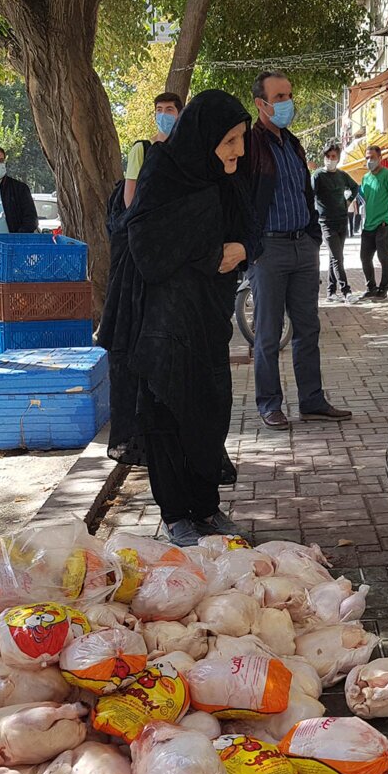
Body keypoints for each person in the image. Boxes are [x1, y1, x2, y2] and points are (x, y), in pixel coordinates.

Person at [98, 90, 253, 547]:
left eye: (240, 140)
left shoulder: (227, 178)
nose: (237, 151)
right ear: (204, 137)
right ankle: (176, 513)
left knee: (208, 409)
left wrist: (244, 249)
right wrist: (210, 255)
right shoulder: (162, 173)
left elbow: (250, 230)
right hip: (163, 321)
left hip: (208, 317)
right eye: (229, 141)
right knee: (165, 412)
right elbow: (146, 246)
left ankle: (206, 507)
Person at [246, 70, 352, 430]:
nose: (287, 103)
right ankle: (270, 404)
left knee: (309, 328)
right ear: (261, 103)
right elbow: (241, 199)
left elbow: (303, 194)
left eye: (289, 94)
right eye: (279, 97)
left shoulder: (292, 144)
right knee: (268, 333)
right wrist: (252, 246)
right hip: (268, 251)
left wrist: (311, 236)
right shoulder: (249, 144)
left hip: (302, 247)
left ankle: (312, 400)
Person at [311, 141, 361, 302]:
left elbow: (355, 187)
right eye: (328, 156)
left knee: (335, 257)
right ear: (324, 157)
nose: (331, 159)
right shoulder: (318, 176)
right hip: (326, 222)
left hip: (342, 221)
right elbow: (309, 196)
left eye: (334, 156)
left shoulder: (342, 175)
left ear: (338, 158)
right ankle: (346, 291)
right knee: (337, 257)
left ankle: (331, 292)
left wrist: (348, 201)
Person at [123, 92, 184, 208]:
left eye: (169, 110)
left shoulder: (185, 150)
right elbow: (129, 194)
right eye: (159, 110)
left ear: (179, 115)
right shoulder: (141, 149)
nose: (163, 114)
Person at [358, 145, 388, 300]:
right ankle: (371, 288)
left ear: (380, 158)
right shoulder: (365, 178)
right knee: (365, 257)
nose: (369, 160)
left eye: (372, 157)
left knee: (383, 257)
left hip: (385, 223)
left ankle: (383, 290)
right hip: (369, 224)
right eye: (367, 158)